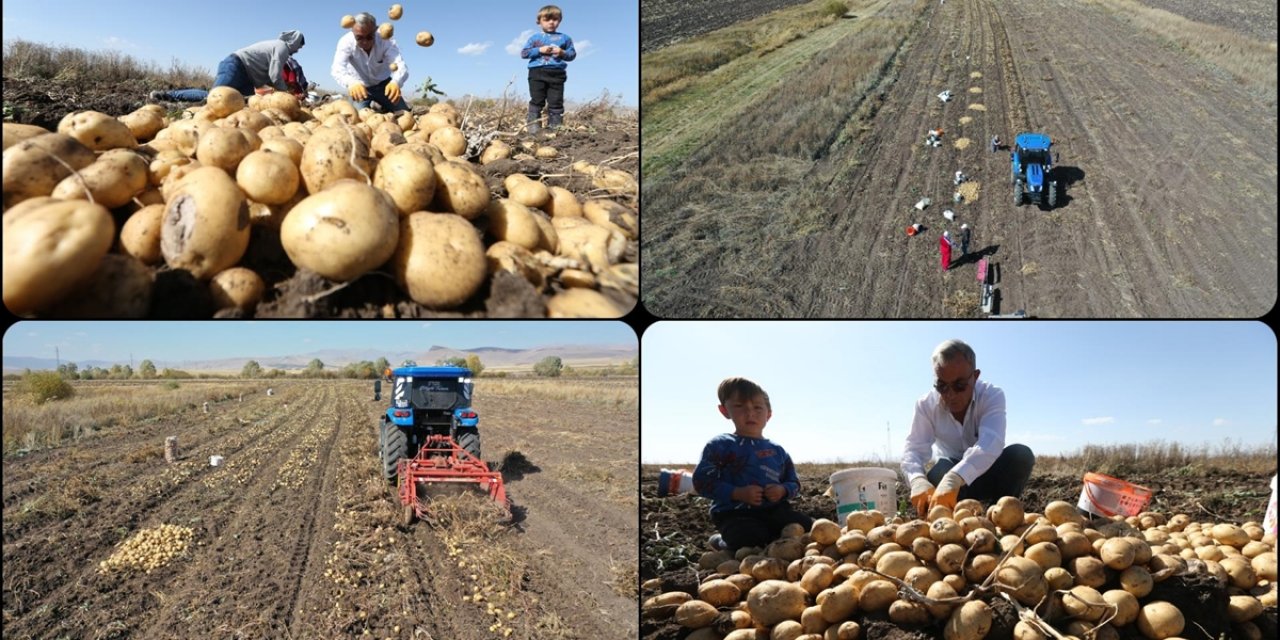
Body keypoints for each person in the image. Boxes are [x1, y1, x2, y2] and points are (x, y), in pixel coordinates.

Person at [902, 339, 1035, 517]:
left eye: (959, 385)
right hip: (949, 477)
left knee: (1021, 455)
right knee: (939, 472)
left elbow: (991, 443)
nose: (950, 394)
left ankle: (1002, 514)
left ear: (975, 376)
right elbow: (913, 449)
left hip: (987, 470)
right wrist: (917, 479)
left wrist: (955, 478)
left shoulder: (991, 395)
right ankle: (953, 516)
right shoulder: (926, 405)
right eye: (941, 386)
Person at [693, 377, 812, 551]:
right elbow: (701, 482)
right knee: (748, 539)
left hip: (774, 510)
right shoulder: (720, 445)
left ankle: (774, 541)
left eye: (757, 407)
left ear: (768, 414)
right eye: (740, 406)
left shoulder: (777, 451)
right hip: (735, 514)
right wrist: (737, 493)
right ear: (725, 411)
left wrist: (782, 490)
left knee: (805, 525)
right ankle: (720, 542)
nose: (750, 413)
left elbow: (794, 482)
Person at [332, 12, 409, 112]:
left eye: (369, 37)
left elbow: (400, 65)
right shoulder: (346, 42)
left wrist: (396, 82)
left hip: (385, 86)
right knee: (356, 119)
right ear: (352, 32)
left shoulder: (386, 41)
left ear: (376, 29)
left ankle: (382, 106)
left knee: (405, 114)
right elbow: (337, 69)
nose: (365, 42)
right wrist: (351, 82)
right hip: (360, 87)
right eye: (359, 38)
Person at [151, 56, 311, 103]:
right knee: (213, 97)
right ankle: (169, 95)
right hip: (236, 69)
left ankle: (176, 94)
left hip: (245, 83)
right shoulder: (286, 69)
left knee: (219, 98)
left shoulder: (285, 69)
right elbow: (262, 89)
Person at [520, 5, 577, 133]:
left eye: (555, 19)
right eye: (547, 19)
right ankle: (533, 128)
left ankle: (555, 128)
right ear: (539, 21)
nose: (551, 22)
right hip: (536, 73)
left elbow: (572, 55)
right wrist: (539, 50)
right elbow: (524, 53)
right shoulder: (534, 38)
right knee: (537, 100)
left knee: (556, 101)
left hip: (557, 74)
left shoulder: (565, 38)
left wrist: (562, 52)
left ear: (560, 20)